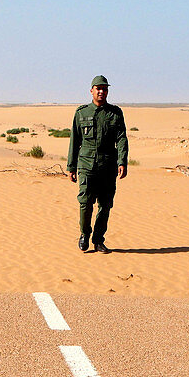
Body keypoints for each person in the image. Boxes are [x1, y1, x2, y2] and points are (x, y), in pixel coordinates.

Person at [67, 75, 128, 253]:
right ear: (91, 91)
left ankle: (98, 239)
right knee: (85, 203)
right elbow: (74, 140)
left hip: (108, 166)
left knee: (105, 205)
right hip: (86, 165)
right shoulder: (82, 113)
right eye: (98, 88)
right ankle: (84, 234)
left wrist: (122, 161)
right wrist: (71, 167)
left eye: (105, 89)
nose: (101, 91)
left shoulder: (115, 113)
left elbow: (121, 138)